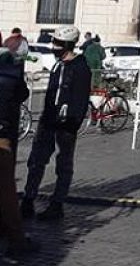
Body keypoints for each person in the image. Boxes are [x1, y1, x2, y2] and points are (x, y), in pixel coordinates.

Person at [21, 25, 92, 222]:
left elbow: (80, 99)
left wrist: (72, 122)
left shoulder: (80, 68)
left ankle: (57, 204)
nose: (54, 47)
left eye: (58, 44)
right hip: (48, 120)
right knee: (36, 161)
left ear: (68, 45)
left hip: (66, 124)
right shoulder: (57, 64)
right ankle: (28, 199)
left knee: (63, 164)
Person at [0, 48, 34, 256]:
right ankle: (16, 239)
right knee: (6, 191)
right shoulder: (10, 70)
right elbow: (23, 93)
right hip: (2, 134)